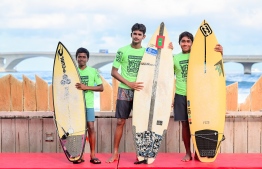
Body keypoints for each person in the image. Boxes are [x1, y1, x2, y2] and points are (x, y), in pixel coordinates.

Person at [172, 31, 223, 162]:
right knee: (184, 124)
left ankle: (198, 152)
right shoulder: (175, 58)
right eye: (183, 41)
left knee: (198, 123)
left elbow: (213, 65)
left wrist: (220, 53)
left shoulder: (200, 56)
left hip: (197, 94)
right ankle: (188, 152)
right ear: (179, 43)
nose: (185, 43)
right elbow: (167, 76)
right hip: (181, 93)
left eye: (188, 41)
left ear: (192, 43)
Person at [106, 23, 146, 163]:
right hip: (125, 89)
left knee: (141, 123)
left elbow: (161, 60)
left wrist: (169, 47)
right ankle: (115, 153)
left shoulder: (147, 52)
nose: (136, 36)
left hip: (140, 91)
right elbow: (114, 72)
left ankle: (141, 154)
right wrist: (128, 83)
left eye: (139, 34)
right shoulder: (122, 51)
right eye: (134, 33)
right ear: (131, 35)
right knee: (120, 122)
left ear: (143, 36)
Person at [75, 47, 104, 164]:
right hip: (75, 106)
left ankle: (92, 155)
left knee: (91, 128)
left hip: (89, 105)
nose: (81, 59)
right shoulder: (73, 71)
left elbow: (101, 87)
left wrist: (86, 87)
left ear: (87, 59)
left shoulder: (93, 71)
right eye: (79, 57)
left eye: (84, 57)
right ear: (76, 58)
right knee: (78, 131)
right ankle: (79, 155)